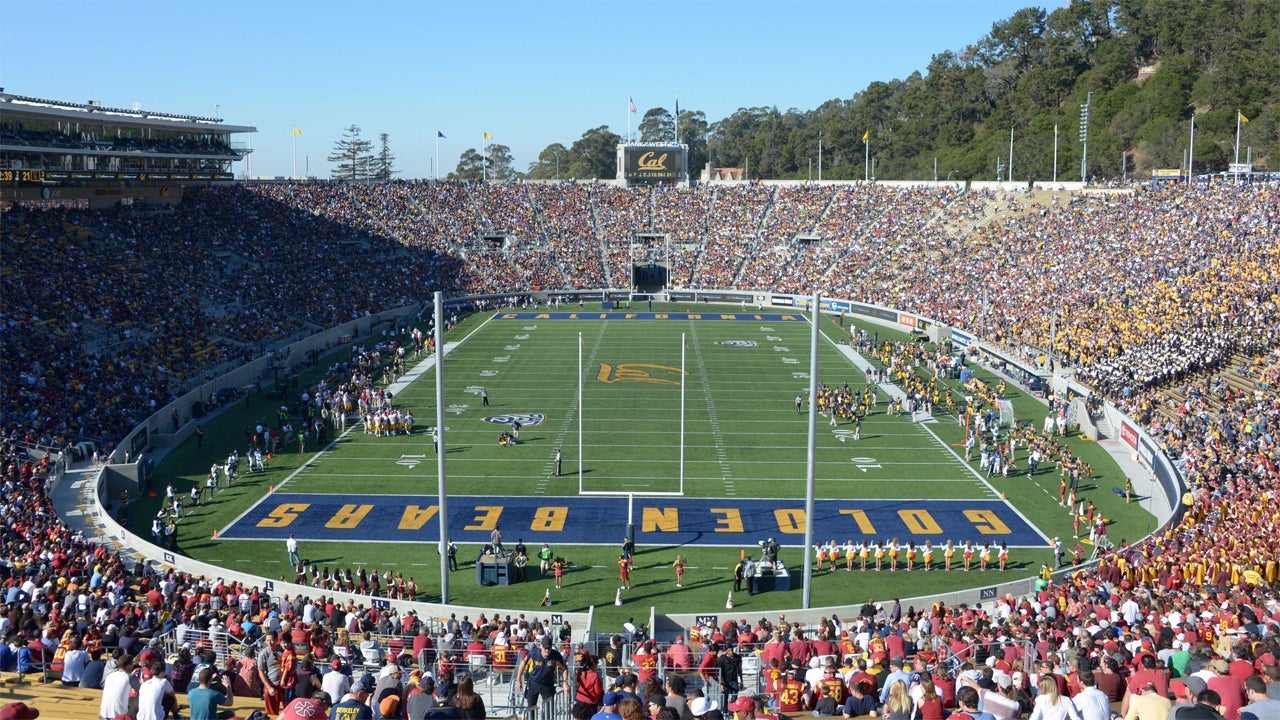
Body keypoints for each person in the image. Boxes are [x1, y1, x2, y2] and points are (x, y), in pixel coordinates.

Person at [518, 635, 569, 718]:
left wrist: (565, 682)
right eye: (545, 648)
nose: (547, 650)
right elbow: (523, 663)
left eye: (549, 648)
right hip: (533, 683)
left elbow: (564, 669)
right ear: (540, 646)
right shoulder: (533, 653)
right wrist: (518, 679)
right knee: (531, 709)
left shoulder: (556, 655)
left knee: (549, 710)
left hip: (547, 685)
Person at [100, 654, 137, 720]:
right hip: (119, 716)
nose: (133, 666)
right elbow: (143, 690)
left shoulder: (110, 676)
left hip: (103, 714)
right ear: (128, 666)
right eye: (132, 664)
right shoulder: (130, 677)